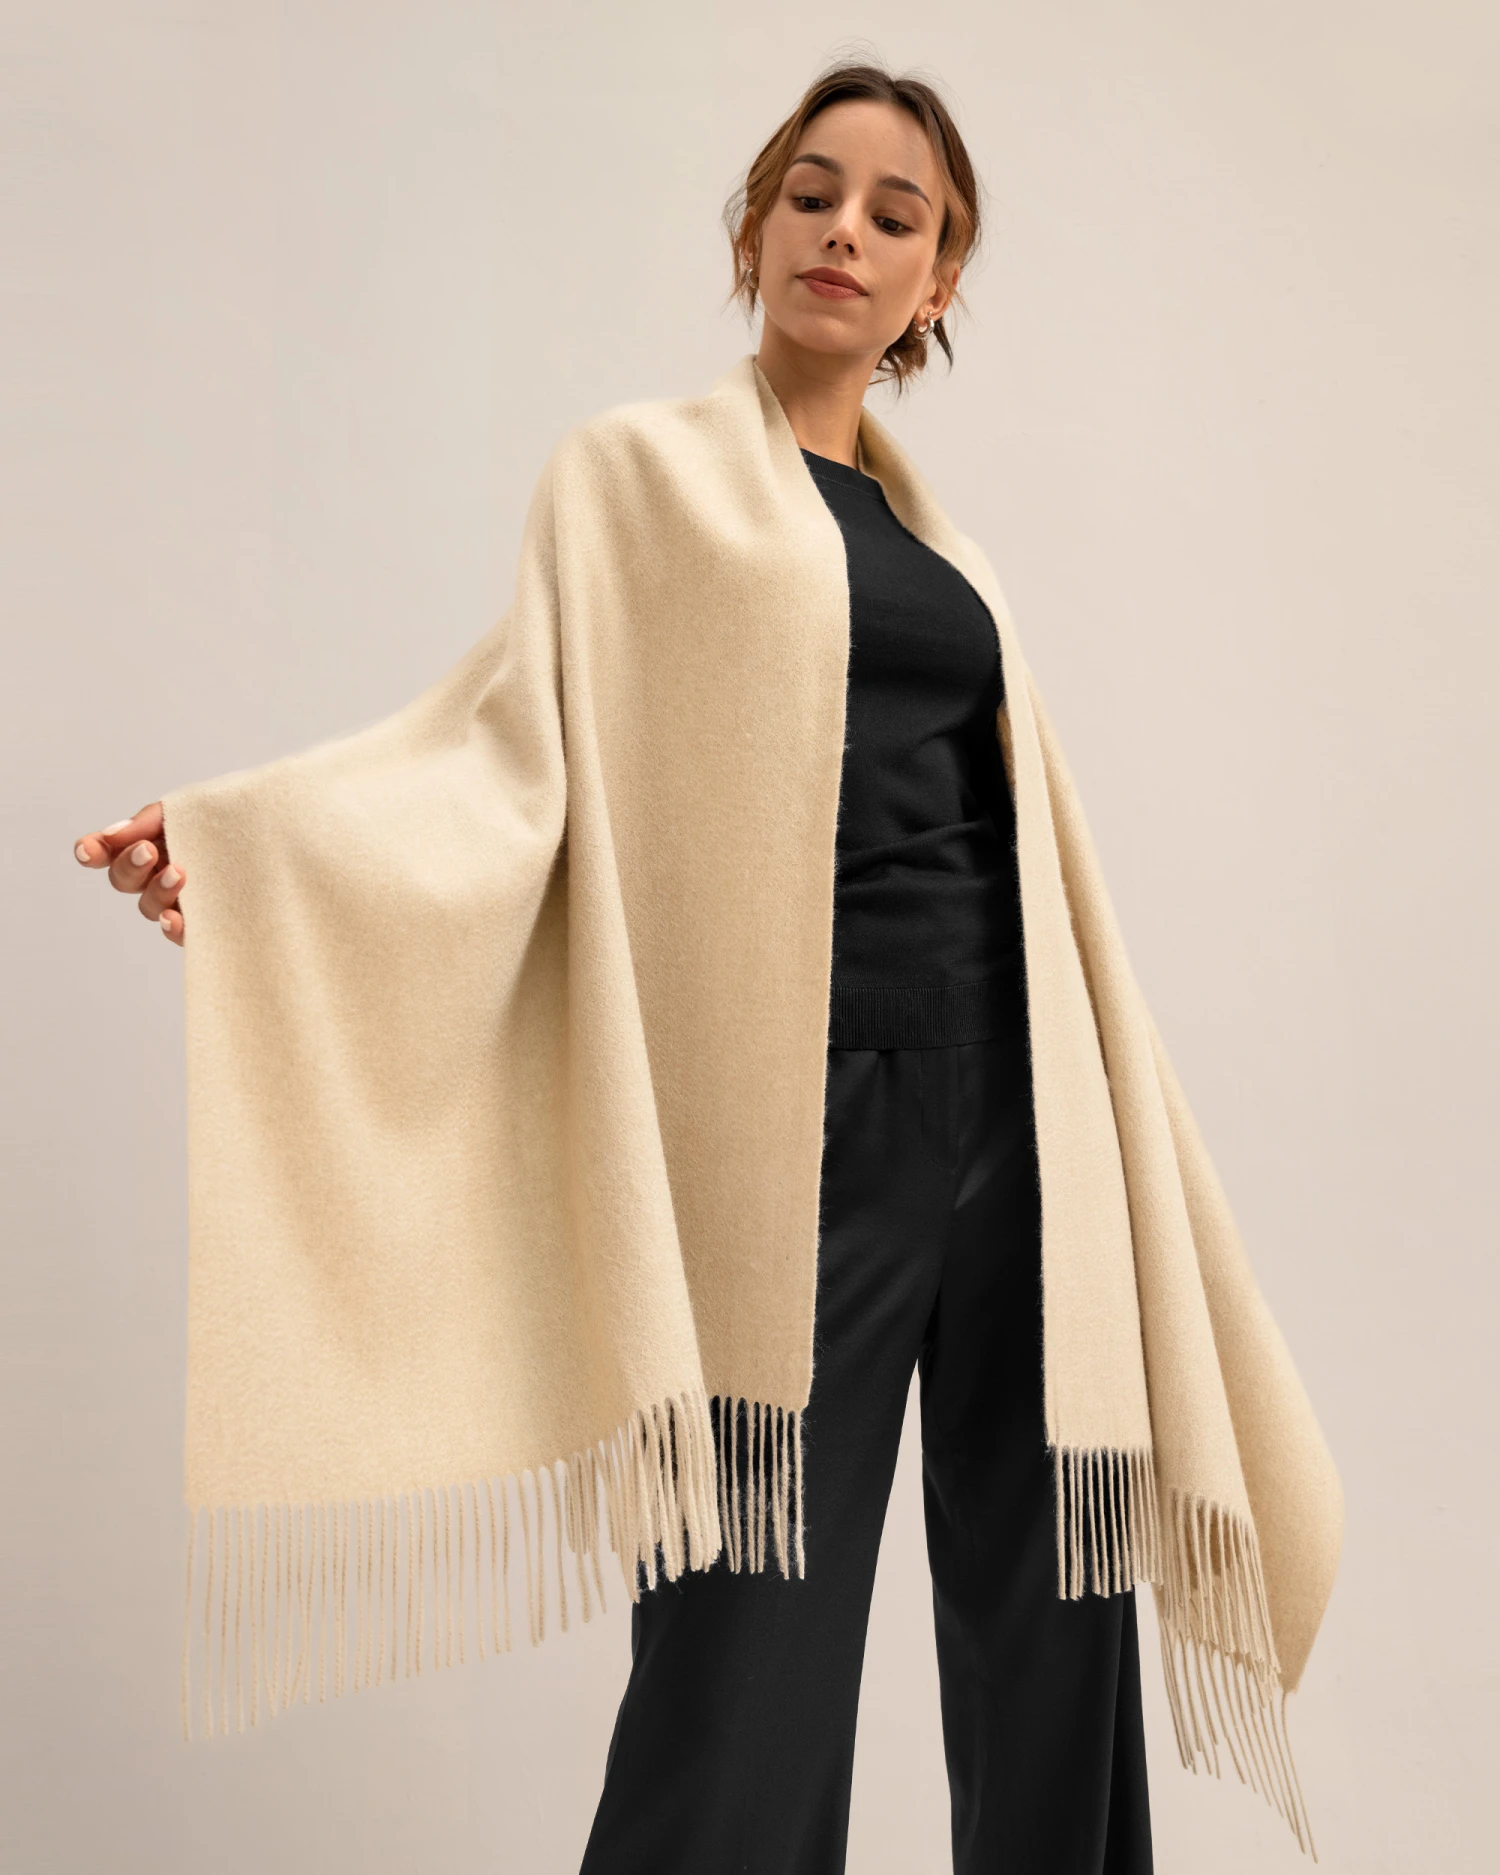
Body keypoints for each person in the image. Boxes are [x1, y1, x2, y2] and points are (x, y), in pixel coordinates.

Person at [72, 60, 1319, 1875]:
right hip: (803, 1133)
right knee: (745, 1649)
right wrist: (255, 856)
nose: (845, 232)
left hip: (1029, 1119)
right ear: (754, 229)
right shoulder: (634, 479)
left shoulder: (943, 547)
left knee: (1057, 1630)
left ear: (938, 284)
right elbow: (507, 743)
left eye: (896, 215)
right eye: (813, 194)